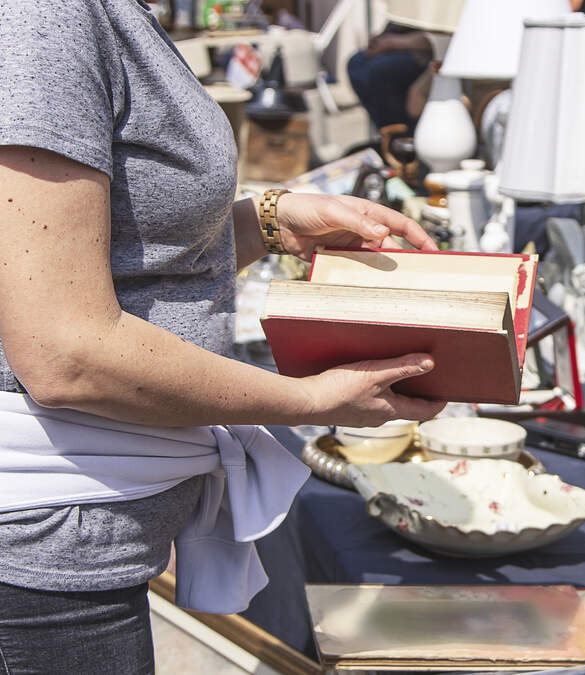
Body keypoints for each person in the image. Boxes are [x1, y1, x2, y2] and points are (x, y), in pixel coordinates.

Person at [0, 2, 444, 672]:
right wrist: (308, 399)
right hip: (43, 564)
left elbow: (121, 256)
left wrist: (269, 222)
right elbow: (66, 350)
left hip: (76, 553)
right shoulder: (44, 17)